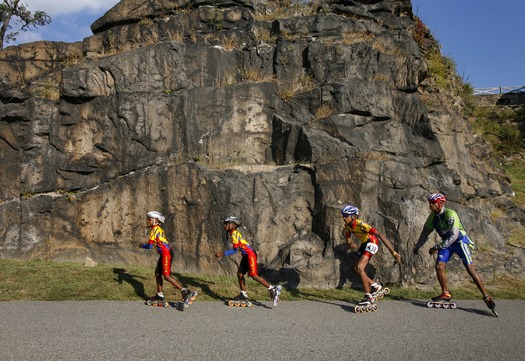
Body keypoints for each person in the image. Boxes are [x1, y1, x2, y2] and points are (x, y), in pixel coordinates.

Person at [413, 193, 496, 312]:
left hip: (459, 242)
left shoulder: (451, 214)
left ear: (441, 203)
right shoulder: (432, 217)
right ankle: (445, 294)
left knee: (470, 270)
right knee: (439, 266)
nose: (430, 205)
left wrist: (437, 247)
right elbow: (425, 233)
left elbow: (454, 235)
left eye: (433, 203)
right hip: (447, 244)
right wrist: (417, 246)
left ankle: (486, 296)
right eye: (429, 203)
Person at [215, 216, 282, 307]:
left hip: (250, 255)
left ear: (232, 225)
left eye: (226, 224)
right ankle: (243, 294)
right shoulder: (233, 233)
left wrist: (222, 254)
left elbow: (234, 250)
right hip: (246, 255)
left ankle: (272, 288)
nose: (224, 226)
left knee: (254, 275)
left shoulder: (234, 234)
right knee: (240, 274)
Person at [342, 204, 401, 306]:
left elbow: (380, 235)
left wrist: (393, 253)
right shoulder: (347, 227)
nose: (344, 217)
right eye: (343, 215)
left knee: (360, 267)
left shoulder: (361, 224)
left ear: (353, 216)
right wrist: (350, 244)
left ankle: (368, 296)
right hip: (364, 244)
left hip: (372, 242)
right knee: (355, 269)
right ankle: (375, 286)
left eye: (346, 215)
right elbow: (348, 240)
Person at [140, 211, 197, 306]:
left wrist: (141, 245)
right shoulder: (156, 229)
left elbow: (149, 246)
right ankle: (159, 295)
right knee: (158, 273)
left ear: (155, 220)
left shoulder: (155, 229)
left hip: (166, 254)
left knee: (166, 276)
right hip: (164, 253)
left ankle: (185, 291)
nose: (147, 221)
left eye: (149, 219)